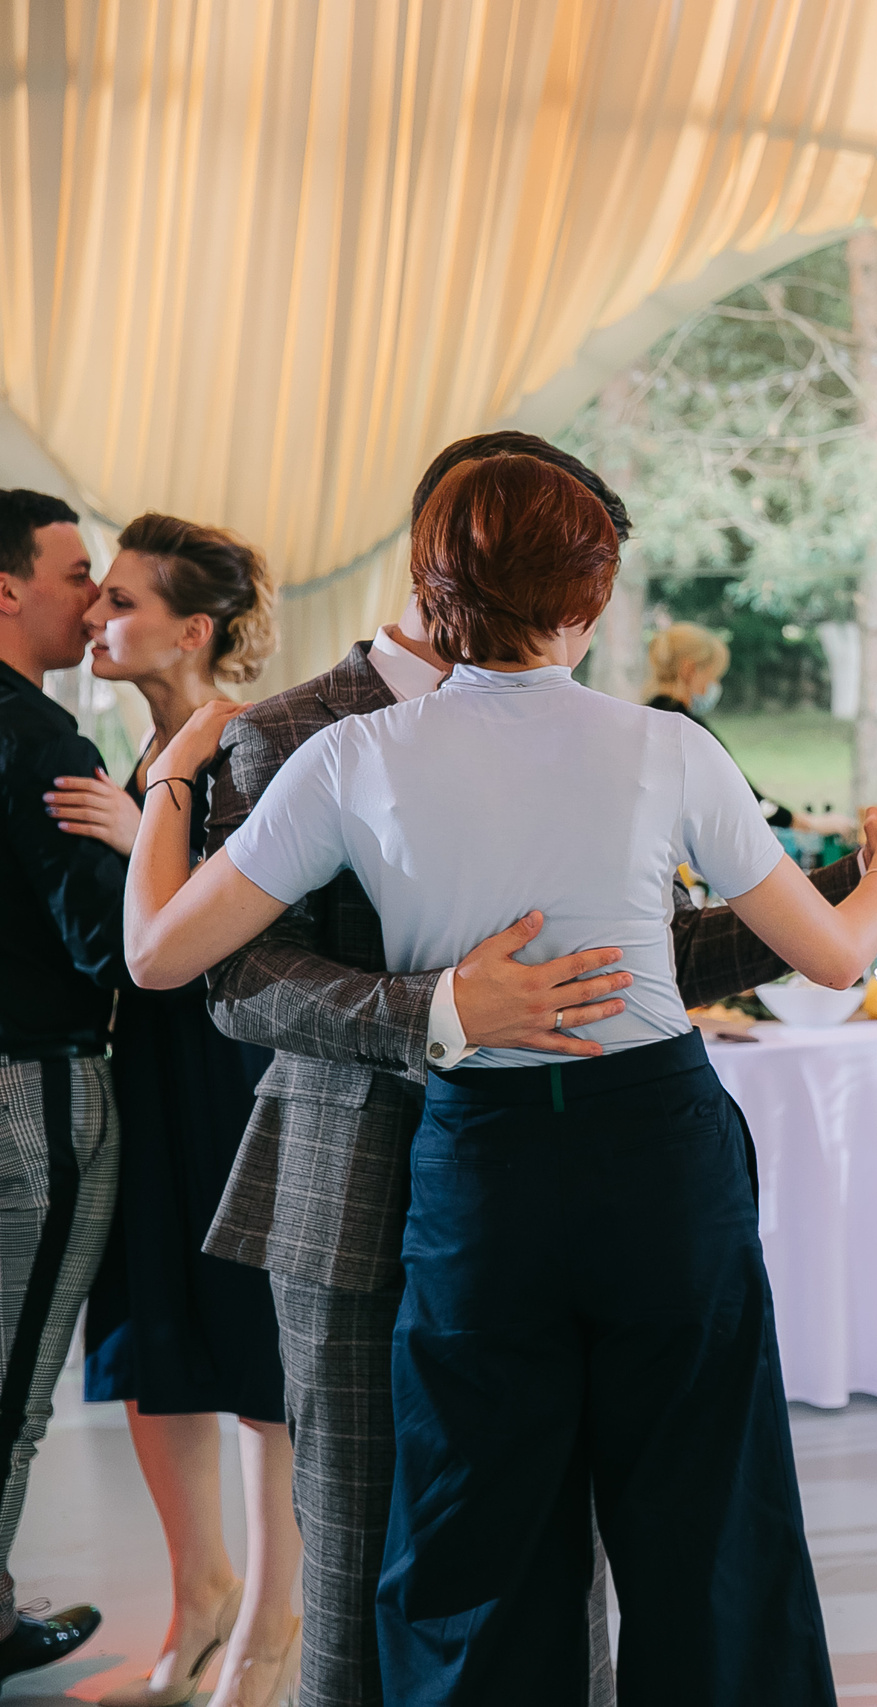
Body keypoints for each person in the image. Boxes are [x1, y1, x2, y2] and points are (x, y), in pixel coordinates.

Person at [126, 453, 877, 1704]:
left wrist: (167, 782)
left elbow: (157, 956)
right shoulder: (662, 746)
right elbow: (837, 958)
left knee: (474, 1539)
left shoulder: (352, 758)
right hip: (658, 1152)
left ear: (431, 585)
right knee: (709, 1525)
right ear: (590, 598)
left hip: (480, 1166)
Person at [44, 516, 301, 1707]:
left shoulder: (263, 749)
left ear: (193, 630)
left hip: (237, 1069)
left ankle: (272, 1620)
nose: (99, 620)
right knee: (151, 1329)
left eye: (125, 603)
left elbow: (254, 931)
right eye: (96, 602)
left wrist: (146, 830)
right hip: (139, 1065)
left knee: (253, 1342)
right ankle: (199, 1588)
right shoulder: (113, 757)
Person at [0, 490, 115, 1682]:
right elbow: (113, 953)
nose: (92, 601)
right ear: (6, 587)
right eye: (77, 572)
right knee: (15, 1387)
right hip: (31, 1093)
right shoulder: (44, 746)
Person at [646, 622, 854, 839]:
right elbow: (744, 798)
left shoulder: (647, 720)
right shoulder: (686, 730)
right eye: (713, 676)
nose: (713, 686)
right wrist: (809, 823)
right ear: (689, 670)